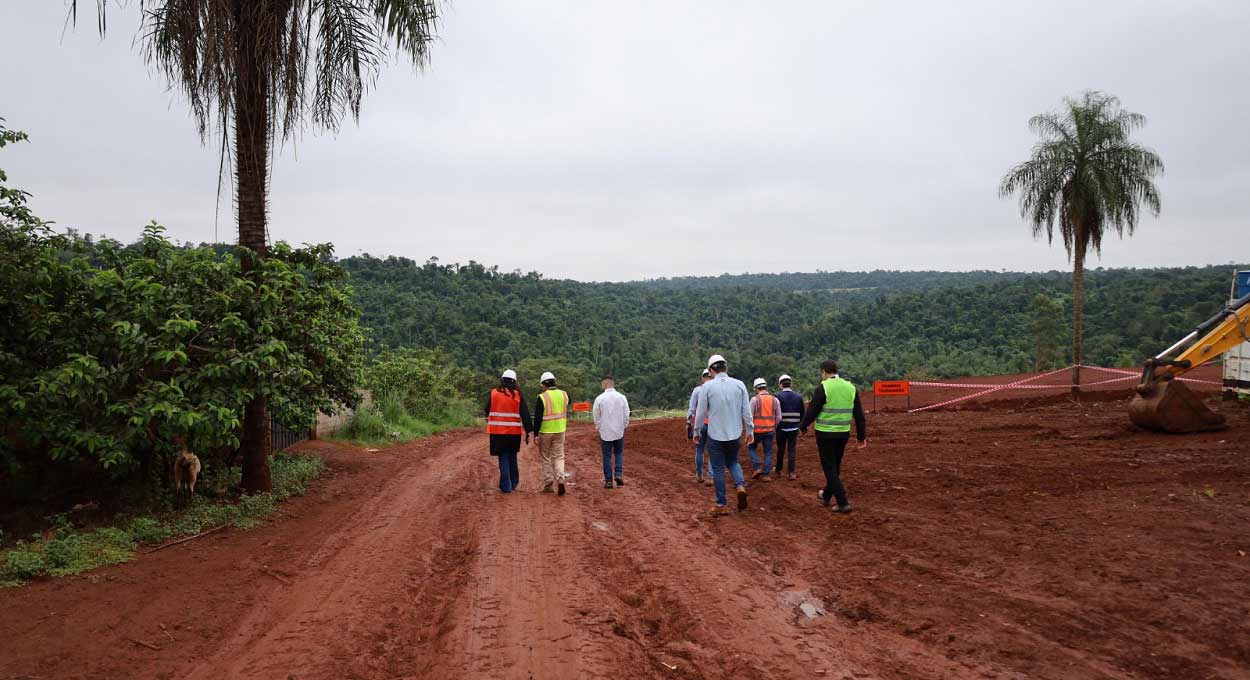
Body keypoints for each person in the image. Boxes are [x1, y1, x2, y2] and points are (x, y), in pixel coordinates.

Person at [799, 360, 867, 513]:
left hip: (825, 434)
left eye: (821, 373)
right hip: (843, 433)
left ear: (824, 372)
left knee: (829, 468)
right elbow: (859, 415)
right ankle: (826, 496)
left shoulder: (823, 387)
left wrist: (802, 427)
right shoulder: (851, 388)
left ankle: (843, 502)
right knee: (835, 466)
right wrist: (861, 437)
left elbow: (812, 411)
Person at [693, 354, 753, 515]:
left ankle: (721, 504)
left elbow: (700, 413)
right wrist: (750, 430)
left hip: (716, 435)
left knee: (718, 468)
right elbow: (746, 411)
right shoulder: (739, 385)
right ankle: (740, 486)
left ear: (712, 370)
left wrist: (697, 431)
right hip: (735, 434)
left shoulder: (707, 387)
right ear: (726, 368)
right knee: (733, 462)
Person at [485, 369, 533, 494]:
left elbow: (487, 409)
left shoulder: (494, 393)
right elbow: (525, 414)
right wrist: (529, 431)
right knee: (512, 456)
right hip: (514, 433)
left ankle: (506, 486)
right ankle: (514, 482)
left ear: (502, 380)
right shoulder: (517, 395)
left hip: (497, 433)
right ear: (514, 382)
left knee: (503, 457)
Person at [532, 371, 570, 496]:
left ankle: (548, 484)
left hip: (545, 431)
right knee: (559, 456)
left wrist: (535, 434)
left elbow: (537, 418)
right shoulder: (564, 395)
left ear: (544, 384)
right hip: (560, 430)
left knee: (545, 457)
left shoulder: (542, 397)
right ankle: (560, 478)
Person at [592, 376, 630, 489]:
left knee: (607, 455)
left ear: (605, 384)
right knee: (618, 453)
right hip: (619, 430)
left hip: (605, 431)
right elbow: (626, 413)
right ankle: (618, 474)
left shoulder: (599, 398)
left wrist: (598, 426)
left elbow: (596, 414)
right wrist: (624, 425)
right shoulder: (622, 397)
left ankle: (608, 480)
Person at [747, 378, 781, 482]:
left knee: (751, 447)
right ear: (766, 387)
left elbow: (749, 417)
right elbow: (779, 417)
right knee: (768, 452)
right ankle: (766, 475)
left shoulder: (754, 400)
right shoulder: (774, 400)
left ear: (756, 388)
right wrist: (773, 426)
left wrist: (749, 431)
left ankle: (757, 468)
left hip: (756, 431)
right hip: (769, 431)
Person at [773, 374, 804, 480]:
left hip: (781, 428)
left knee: (780, 449)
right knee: (791, 449)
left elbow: (775, 413)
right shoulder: (799, 397)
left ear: (781, 384)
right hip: (794, 428)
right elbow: (802, 413)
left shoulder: (777, 397)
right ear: (791, 384)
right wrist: (801, 426)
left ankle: (778, 470)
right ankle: (791, 472)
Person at [686, 368, 713, 485]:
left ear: (702, 378)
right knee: (713, 451)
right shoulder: (715, 389)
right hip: (713, 424)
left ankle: (699, 474)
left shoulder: (697, 390)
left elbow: (692, 408)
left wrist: (688, 422)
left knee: (700, 450)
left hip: (700, 423)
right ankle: (711, 477)